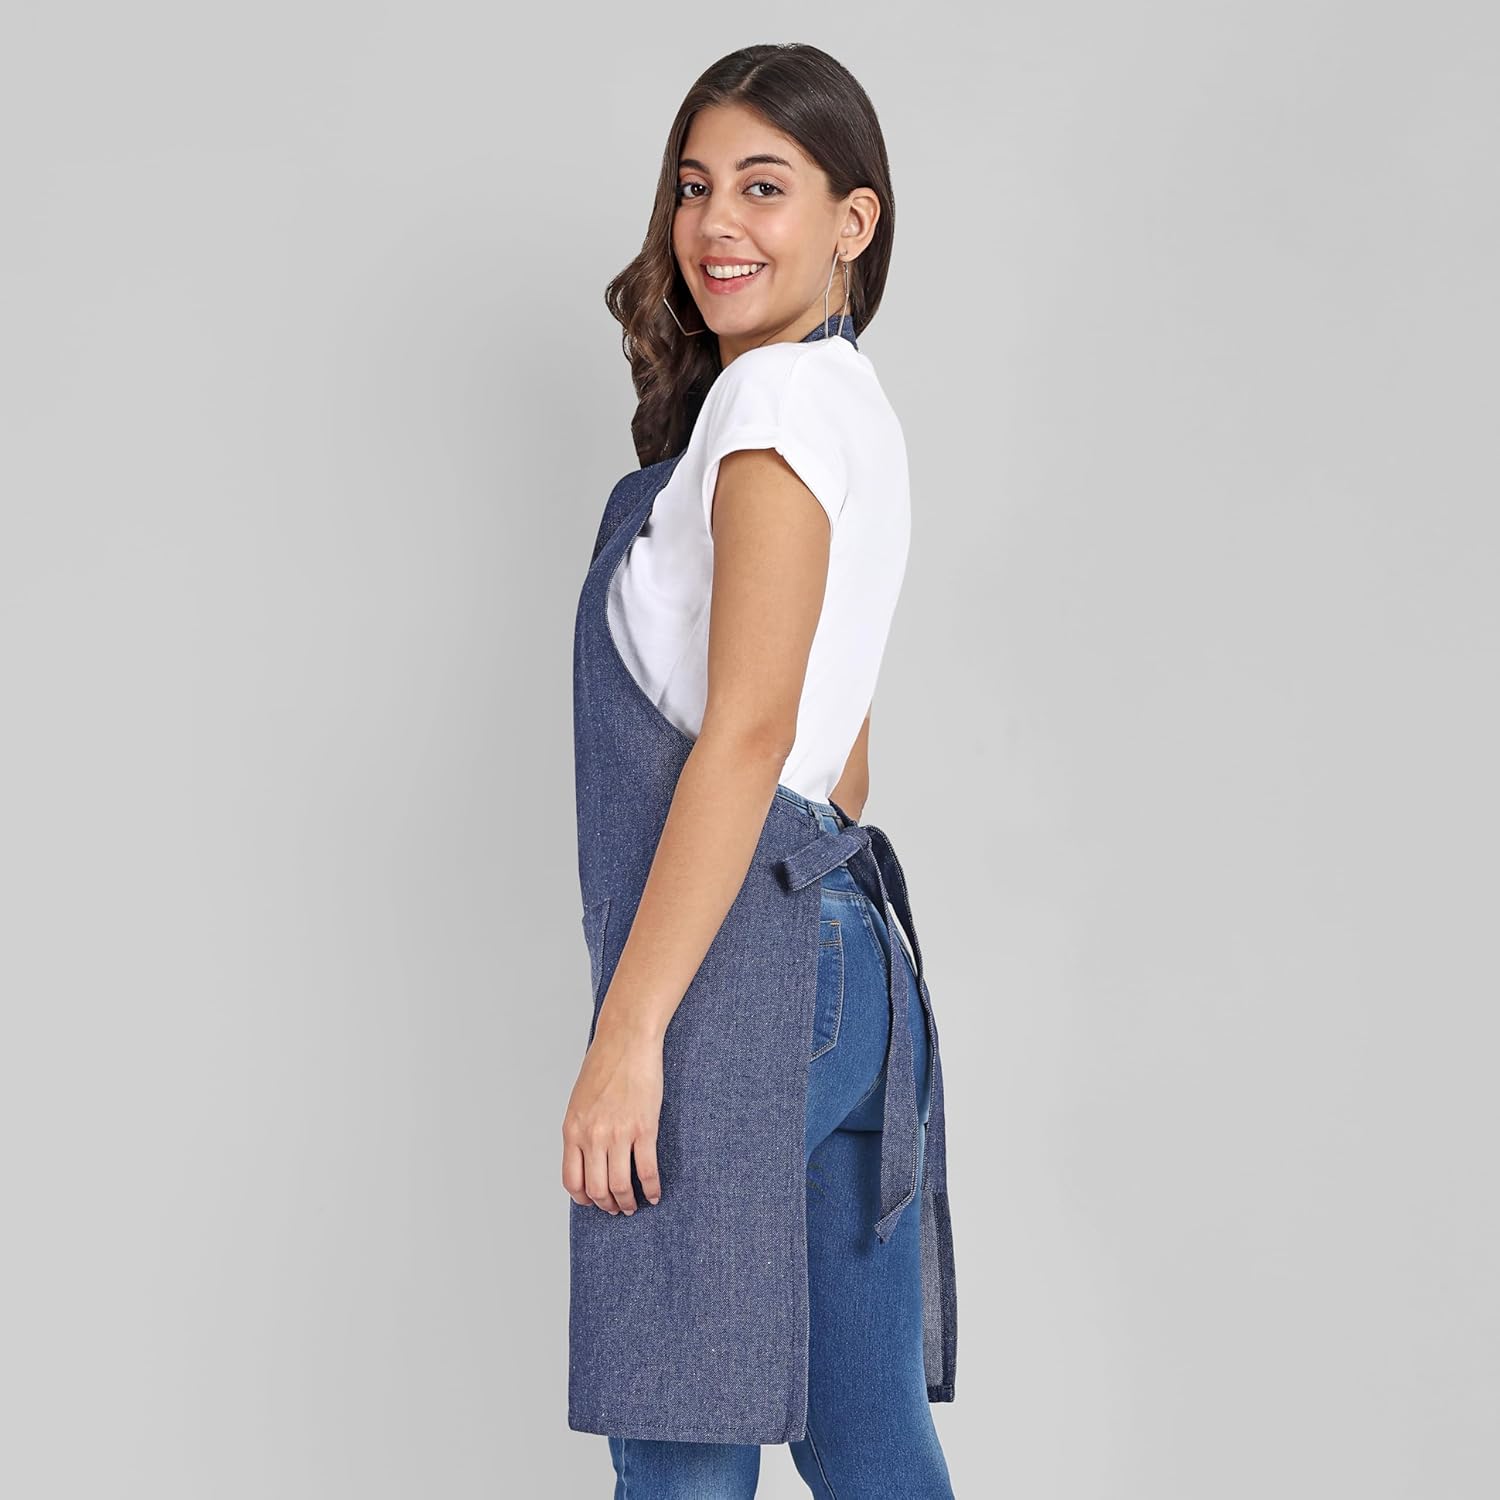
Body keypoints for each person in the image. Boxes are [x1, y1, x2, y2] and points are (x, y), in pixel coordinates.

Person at [560, 43, 959, 1498]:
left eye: (763, 187)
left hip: (732, 982)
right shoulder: (851, 407)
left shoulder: (770, 409)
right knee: (867, 1443)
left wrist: (630, 1035)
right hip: (849, 967)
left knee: (680, 1446)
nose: (715, 223)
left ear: (853, 222)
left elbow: (747, 732)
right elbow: (840, 765)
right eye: (693, 186)